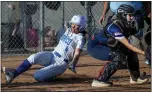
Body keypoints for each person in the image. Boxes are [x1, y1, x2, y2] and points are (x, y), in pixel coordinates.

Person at [2, 15, 87, 83]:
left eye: (76, 26)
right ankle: (14, 74)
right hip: (52, 55)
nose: (73, 27)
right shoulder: (69, 30)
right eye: (72, 24)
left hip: (61, 63)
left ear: (82, 27)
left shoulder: (80, 38)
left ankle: (53, 76)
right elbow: (67, 29)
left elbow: (77, 53)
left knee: (37, 76)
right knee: (32, 57)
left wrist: (73, 64)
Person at [87, 4, 148, 87]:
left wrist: (148, 49)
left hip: (110, 45)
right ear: (123, 15)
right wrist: (144, 53)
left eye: (132, 15)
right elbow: (128, 45)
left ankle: (135, 78)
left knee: (130, 53)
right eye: (129, 15)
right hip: (96, 46)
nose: (132, 17)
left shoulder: (128, 25)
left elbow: (142, 38)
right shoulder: (114, 27)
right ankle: (99, 80)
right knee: (118, 58)